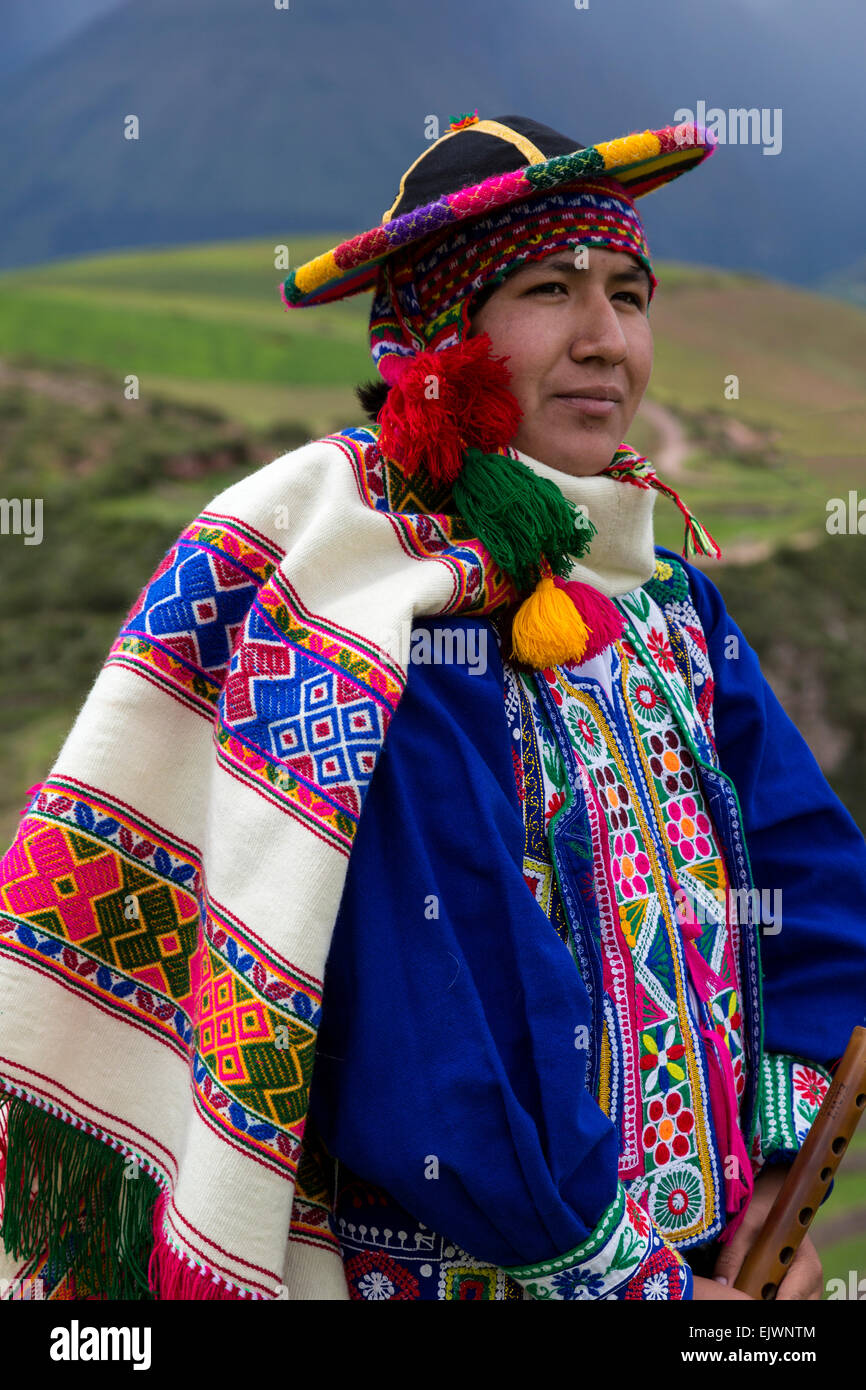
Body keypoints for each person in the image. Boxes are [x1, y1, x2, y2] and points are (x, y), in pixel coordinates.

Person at [0, 111, 864, 1303]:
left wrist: (773, 1169)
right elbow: (443, 1022)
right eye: (550, 290)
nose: (605, 340)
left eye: (628, 291)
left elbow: (806, 869)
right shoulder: (387, 630)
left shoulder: (673, 613)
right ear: (443, 341)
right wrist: (627, 1285)